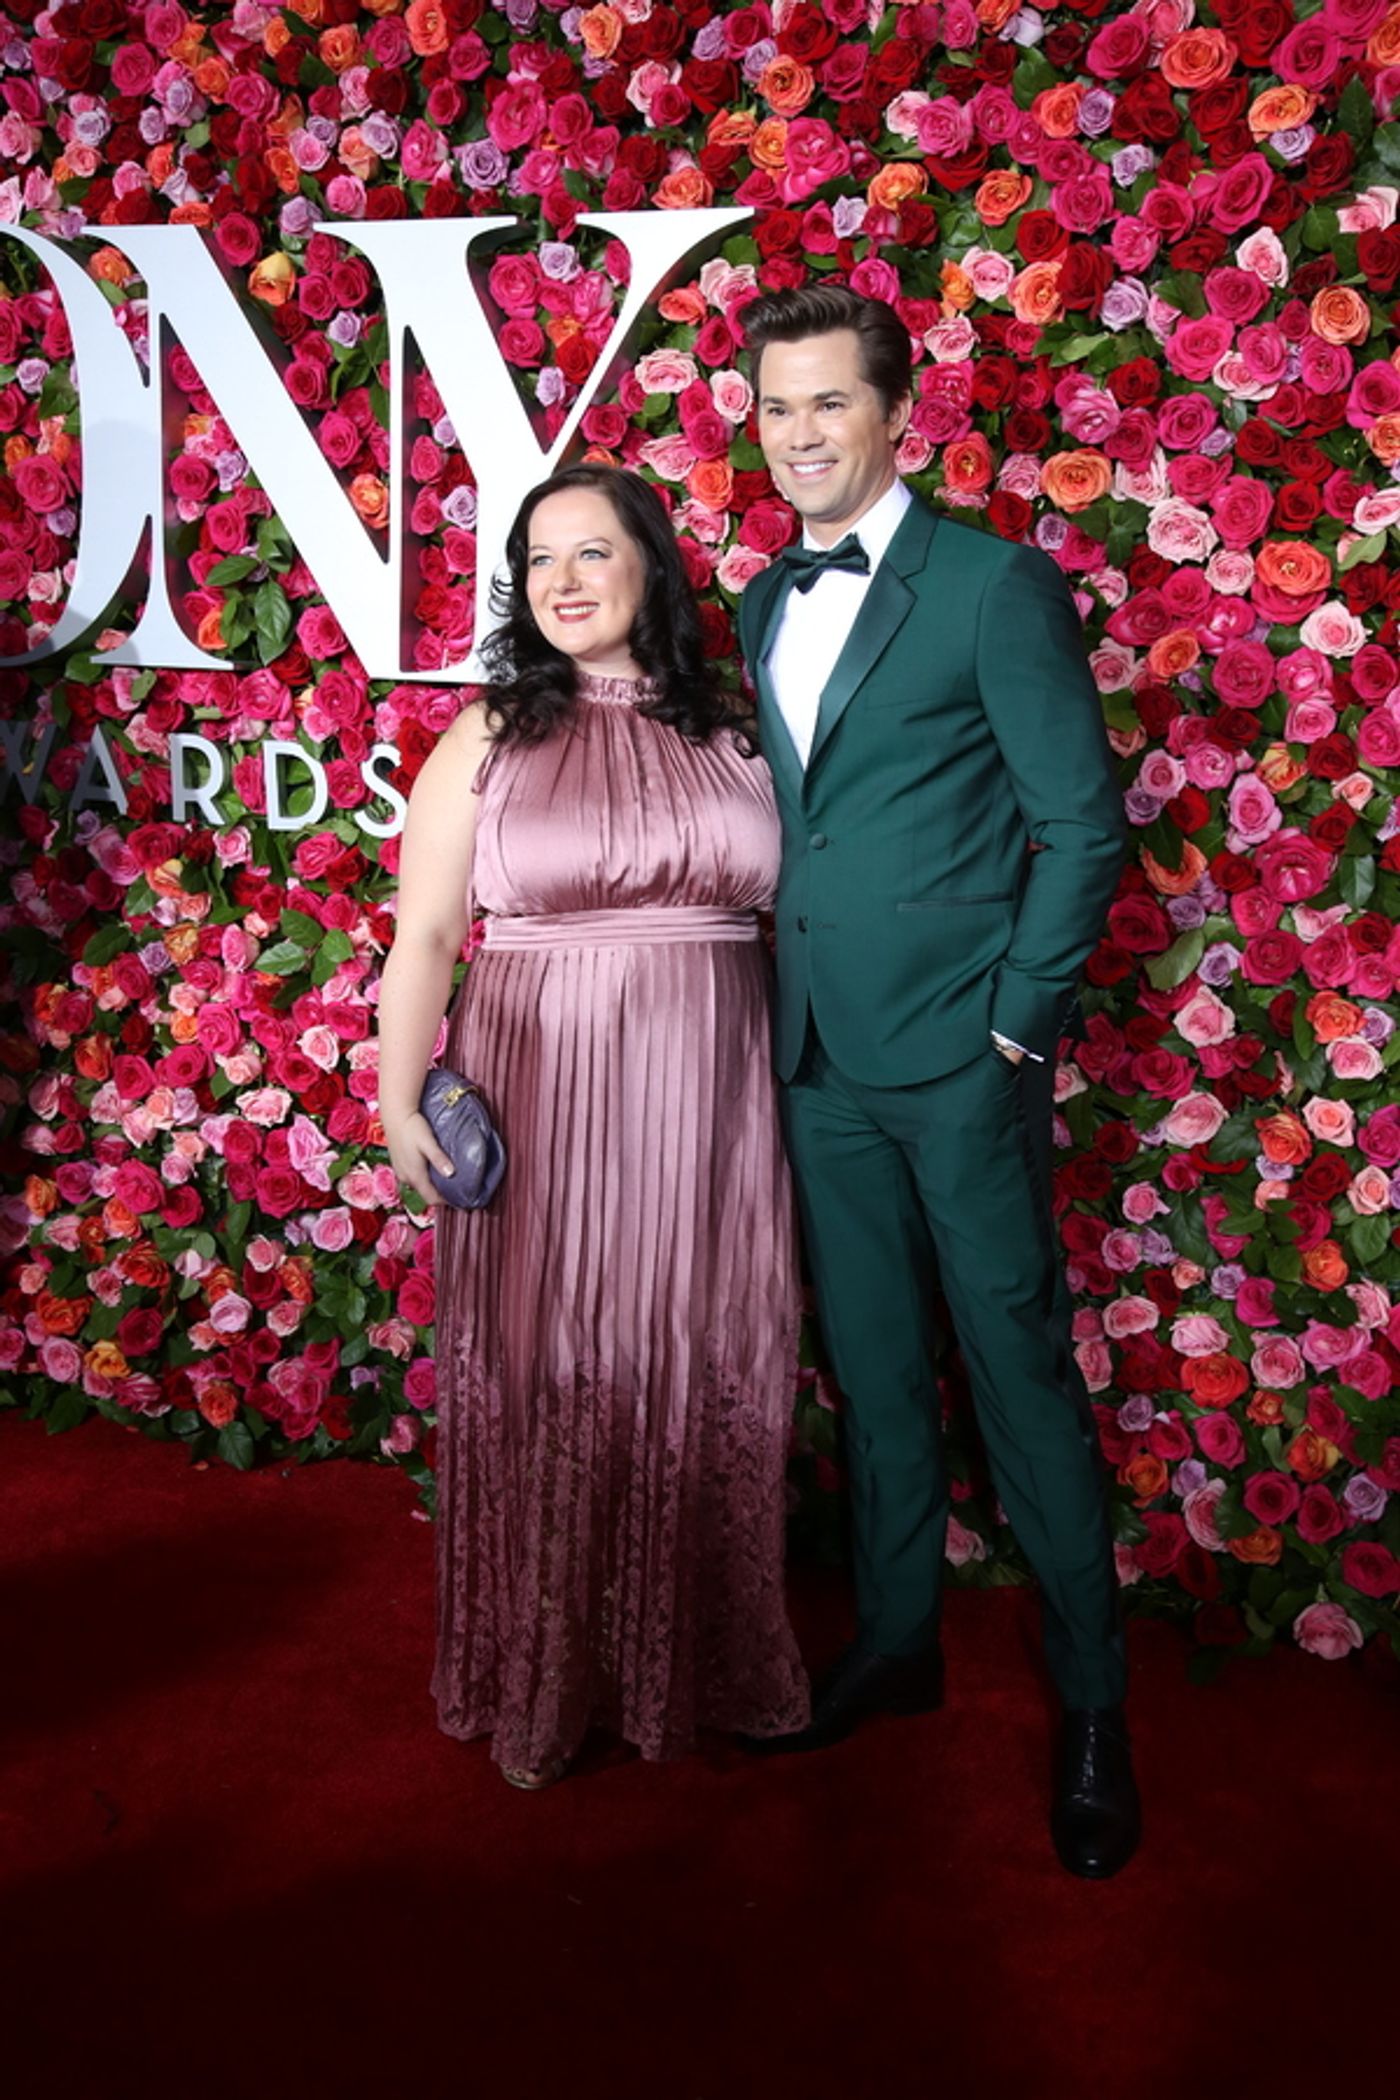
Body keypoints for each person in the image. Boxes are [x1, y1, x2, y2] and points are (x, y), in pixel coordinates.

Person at [735, 284, 1138, 1878]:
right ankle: (900, 1640)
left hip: (962, 1063)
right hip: (817, 1052)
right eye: (777, 408)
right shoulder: (764, 597)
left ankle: (1096, 1705)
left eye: (829, 403)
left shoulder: (992, 585)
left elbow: (1081, 822)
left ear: (901, 413)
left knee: (1018, 1372)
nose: (802, 434)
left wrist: (1017, 1028)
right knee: (879, 1372)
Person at [376, 463, 809, 1788]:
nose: (563, 580)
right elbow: (429, 933)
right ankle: (550, 1672)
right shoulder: (491, 733)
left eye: (592, 553)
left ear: (650, 570)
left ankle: (707, 1660)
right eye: (540, 558)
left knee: (704, 1349)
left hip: (715, 1093)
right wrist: (399, 1101)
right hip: (541, 1079)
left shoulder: (739, 732)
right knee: (560, 1356)